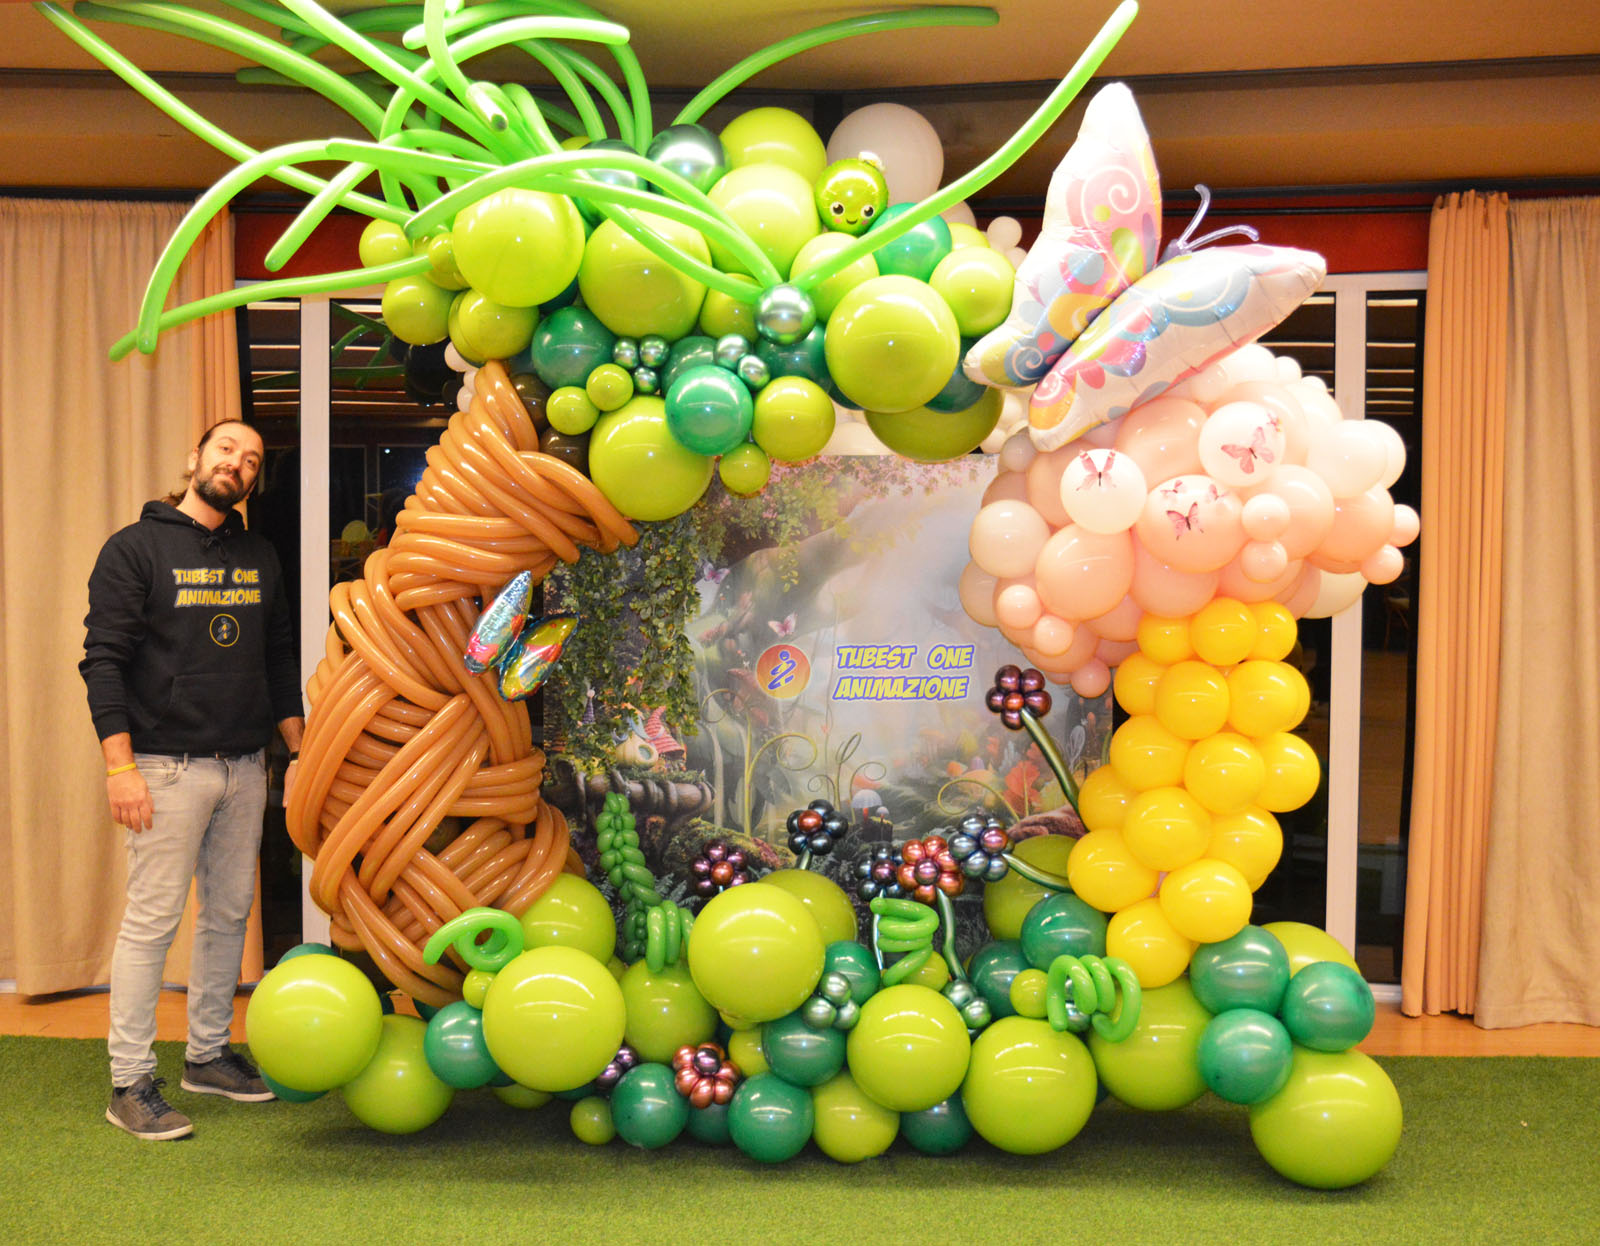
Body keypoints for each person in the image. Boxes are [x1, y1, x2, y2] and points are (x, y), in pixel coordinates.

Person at [80, 420, 304, 1141]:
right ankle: (130, 1082)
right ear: (194, 460)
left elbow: (277, 664)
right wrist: (120, 767)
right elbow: (103, 662)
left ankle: (207, 1055)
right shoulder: (135, 548)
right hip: (163, 767)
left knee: (229, 916)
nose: (236, 465)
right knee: (152, 922)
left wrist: (297, 756)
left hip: (245, 767)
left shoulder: (260, 554)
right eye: (225, 451)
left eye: (250, 460)